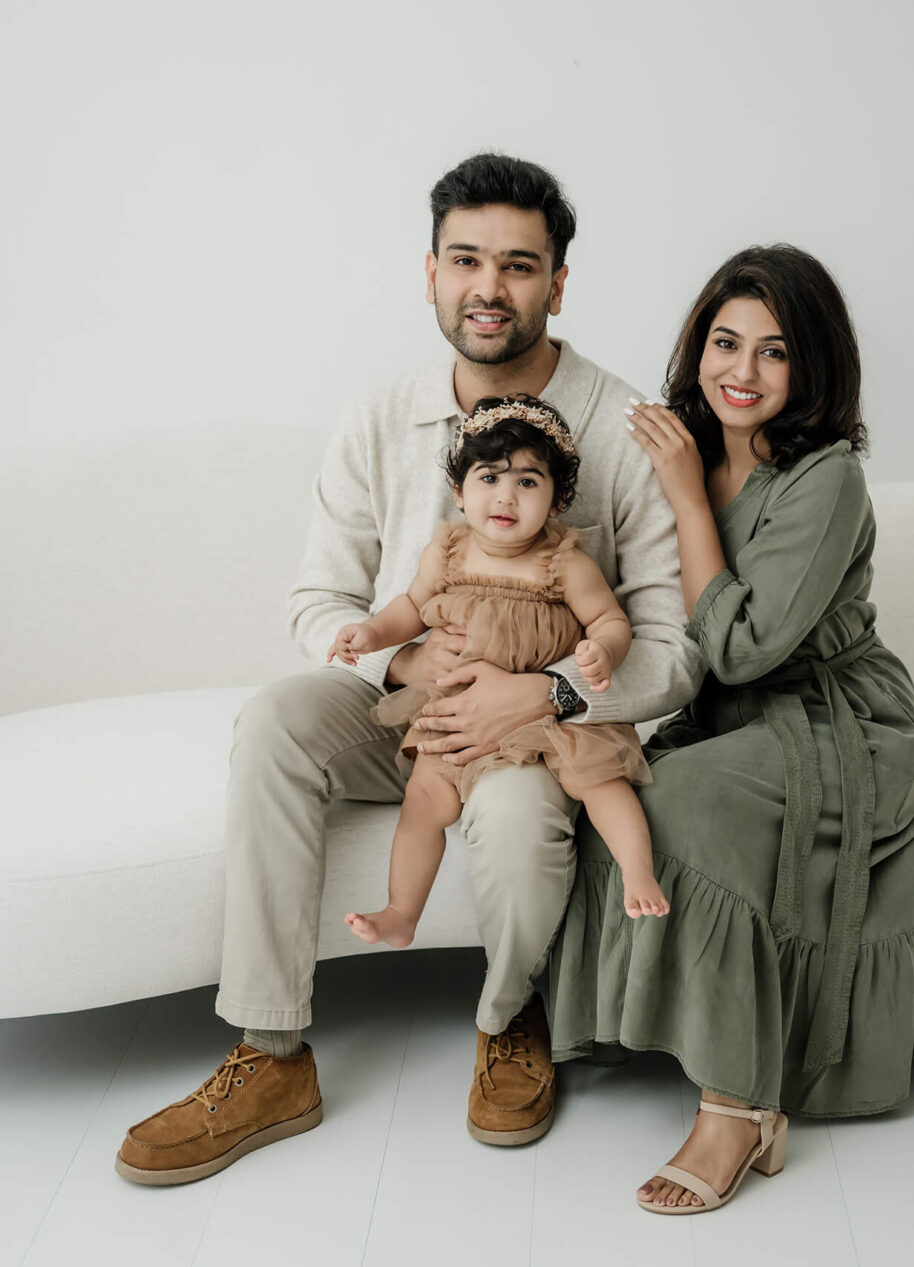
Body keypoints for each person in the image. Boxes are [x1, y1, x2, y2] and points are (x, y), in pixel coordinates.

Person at [115, 154, 697, 1185]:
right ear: (429, 272)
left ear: (557, 284)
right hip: (403, 709)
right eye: (466, 260)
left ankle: (511, 1017)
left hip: (538, 737)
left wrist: (552, 686)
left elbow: (674, 644)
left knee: (517, 823)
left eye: (518, 266)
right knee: (275, 724)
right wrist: (402, 650)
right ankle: (270, 1052)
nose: (489, 287)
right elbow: (318, 601)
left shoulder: (619, 426)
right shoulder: (377, 420)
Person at [545, 244, 914, 1213]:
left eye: (773, 352)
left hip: (841, 722)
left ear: (812, 368)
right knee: (603, 784)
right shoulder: (679, 443)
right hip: (730, 715)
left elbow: (750, 646)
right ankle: (587, 1029)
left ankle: (736, 1110)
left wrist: (685, 498)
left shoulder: (824, 477)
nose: (741, 373)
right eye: (725, 342)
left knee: (688, 802)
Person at [331, 393, 669, 948]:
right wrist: (371, 634)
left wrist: (602, 651)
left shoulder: (563, 562)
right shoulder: (446, 553)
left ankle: (638, 872)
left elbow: (610, 617)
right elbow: (409, 609)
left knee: (599, 779)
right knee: (425, 800)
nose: (507, 496)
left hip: (542, 711)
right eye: (489, 478)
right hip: (458, 710)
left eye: (529, 482)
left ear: (557, 500)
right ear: (460, 493)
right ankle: (400, 911)